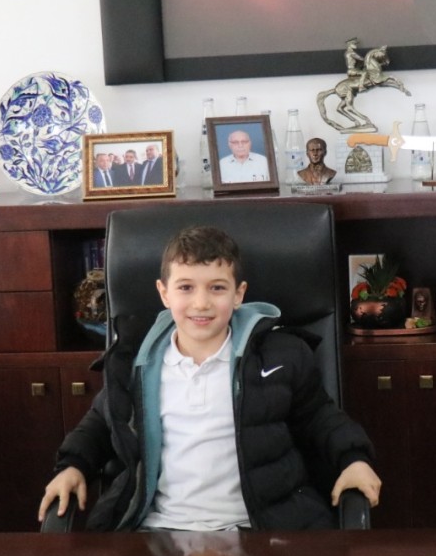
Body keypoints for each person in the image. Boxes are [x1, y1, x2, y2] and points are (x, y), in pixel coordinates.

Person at [38, 226, 381, 531]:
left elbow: (321, 418)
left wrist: (354, 461)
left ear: (238, 294)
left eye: (217, 288)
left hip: (258, 531)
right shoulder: (136, 360)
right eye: (186, 287)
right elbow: (100, 424)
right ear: (164, 293)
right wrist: (73, 467)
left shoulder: (280, 355)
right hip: (157, 532)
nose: (201, 303)